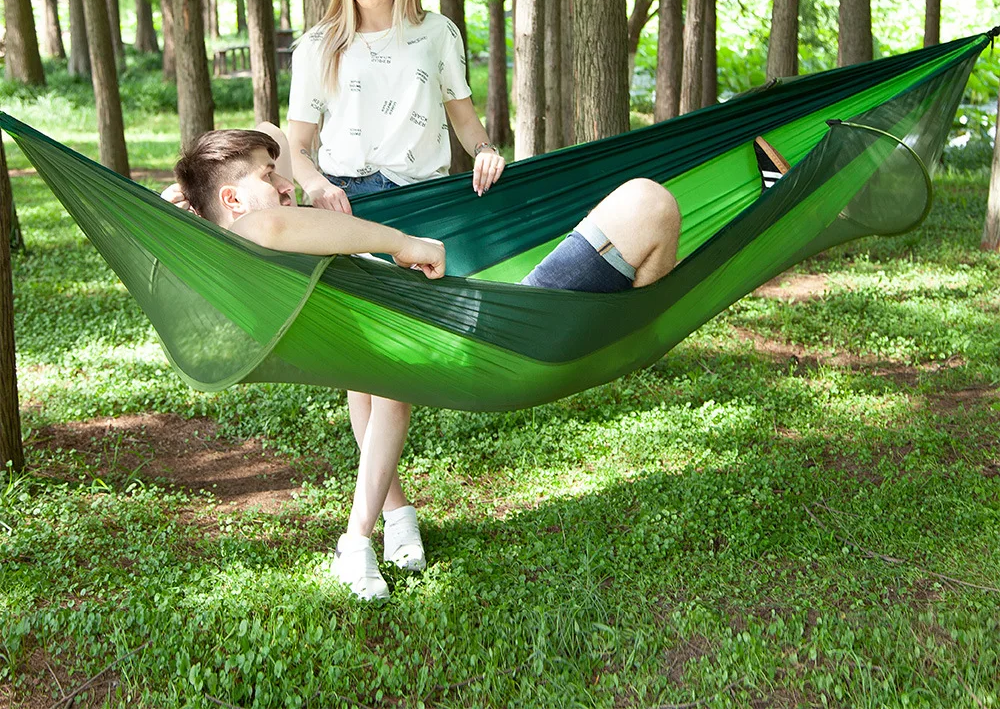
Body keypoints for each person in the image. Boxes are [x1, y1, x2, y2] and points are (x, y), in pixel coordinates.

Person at [169, 128, 688, 599]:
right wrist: (402, 243)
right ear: (233, 200)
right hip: (496, 331)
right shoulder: (258, 231)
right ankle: (634, 332)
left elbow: (273, 135)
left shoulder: (256, 251)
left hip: (463, 326)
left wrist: (182, 202)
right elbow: (272, 218)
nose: (286, 185)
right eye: (269, 176)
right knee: (648, 202)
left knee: (368, 382)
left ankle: (389, 521)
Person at [287, 0, 505, 215]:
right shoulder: (316, 45)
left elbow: (465, 119)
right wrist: (315, 185)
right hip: (347, 201)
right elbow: (297, 142)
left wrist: (485, 151)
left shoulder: (438, 33)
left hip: (425, 196)